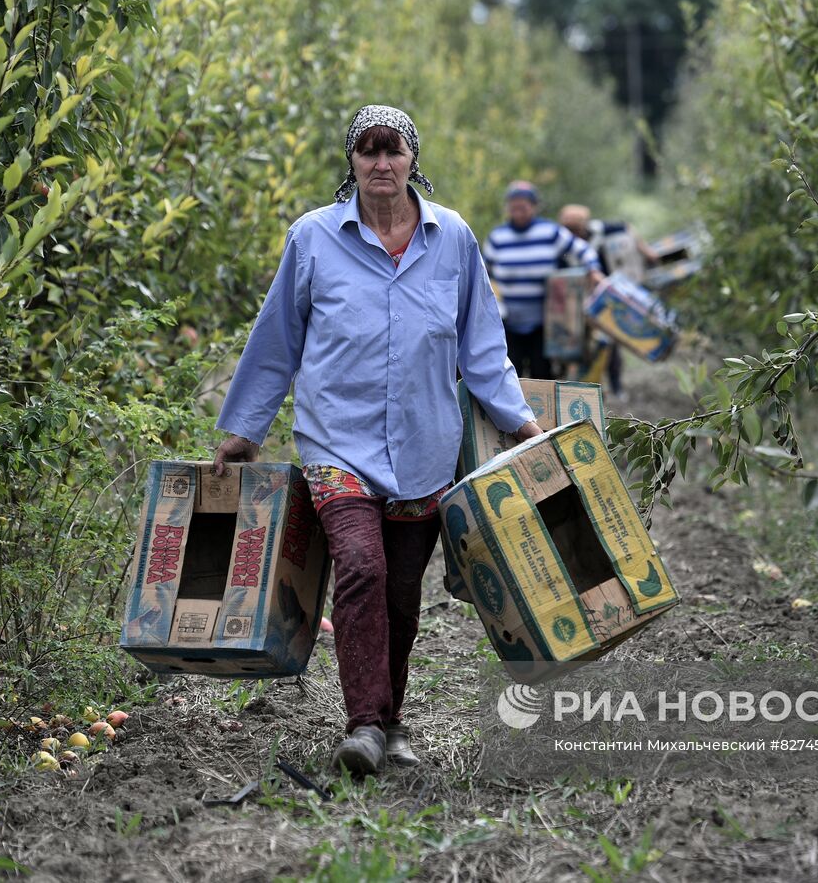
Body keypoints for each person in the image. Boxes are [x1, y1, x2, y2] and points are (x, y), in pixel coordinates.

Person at [211, 105, 542, 776]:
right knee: (361, 566)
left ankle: (390, 719)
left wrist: (522, 421)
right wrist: (244, 429)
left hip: (425, 448)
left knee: (400, 590)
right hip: (339, 443)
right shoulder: (312, 239)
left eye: (393, 151)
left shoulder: (452, 239)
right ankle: (363, 723)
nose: (381, 164)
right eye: (368, 152)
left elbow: (481, 345)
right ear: (352, 162)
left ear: (414, 159)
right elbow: (277, 340)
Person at [483, 182, 603, 379]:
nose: (518, 211)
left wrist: (593, 270)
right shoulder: (498, 238)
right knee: (511, 375)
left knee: (542, 373)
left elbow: (584, 250)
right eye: (514, 206)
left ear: (534, 206)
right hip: (507, 322)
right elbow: (482, 272)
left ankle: (542, 410)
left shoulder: (550, 232)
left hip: (544, 323)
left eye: (524, 206)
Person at [556, 204, 659, 400]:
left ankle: (615, 386)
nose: (572, 232)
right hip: (574, 299)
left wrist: (645, 250)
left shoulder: (599, 230)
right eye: (568, 227)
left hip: (605, 295)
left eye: (575, 227)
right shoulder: (560, 241)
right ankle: (581, 390)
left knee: (610, 343)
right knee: (578, 346)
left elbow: (626, 227)